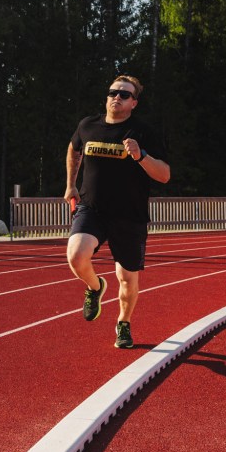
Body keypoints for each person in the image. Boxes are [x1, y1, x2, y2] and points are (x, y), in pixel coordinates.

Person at [65, 75, 171, 348]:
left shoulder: (143, 131)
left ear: (134, 103)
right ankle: (95, 287)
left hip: (129, 214)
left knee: (127, 278)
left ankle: (123, 323)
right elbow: (74, 150)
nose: (117, 97)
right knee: (76, 255)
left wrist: (141, 156)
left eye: (124, 95)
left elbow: (164, 175)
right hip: (92, 208)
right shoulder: (88, 125)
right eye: (113, 92)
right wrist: (70, 185)